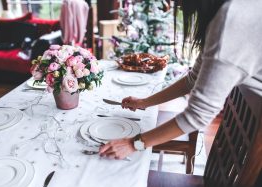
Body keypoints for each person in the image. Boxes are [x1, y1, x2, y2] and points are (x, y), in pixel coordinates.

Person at [99, 0, 262, 159]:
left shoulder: (233, 18)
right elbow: (192, 79)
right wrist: (144, 103)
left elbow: (198, 115)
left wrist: (134, 144)